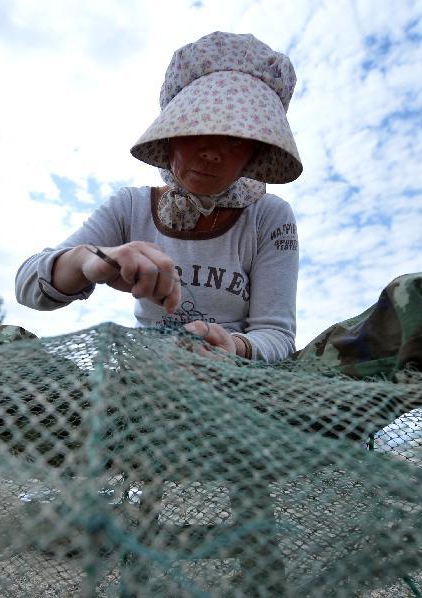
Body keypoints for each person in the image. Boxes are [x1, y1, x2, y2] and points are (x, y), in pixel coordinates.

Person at [16, 32, 303, 363]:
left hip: (238, 383)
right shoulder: (131, 206)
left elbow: (277, 334)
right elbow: (28, 287)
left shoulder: (269, 216)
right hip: (144, 379)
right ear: (172, 135)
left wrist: (234, 347)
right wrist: (86, 260)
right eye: (199, 128)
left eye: (235, 139)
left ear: (255, 152)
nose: (212, 152)